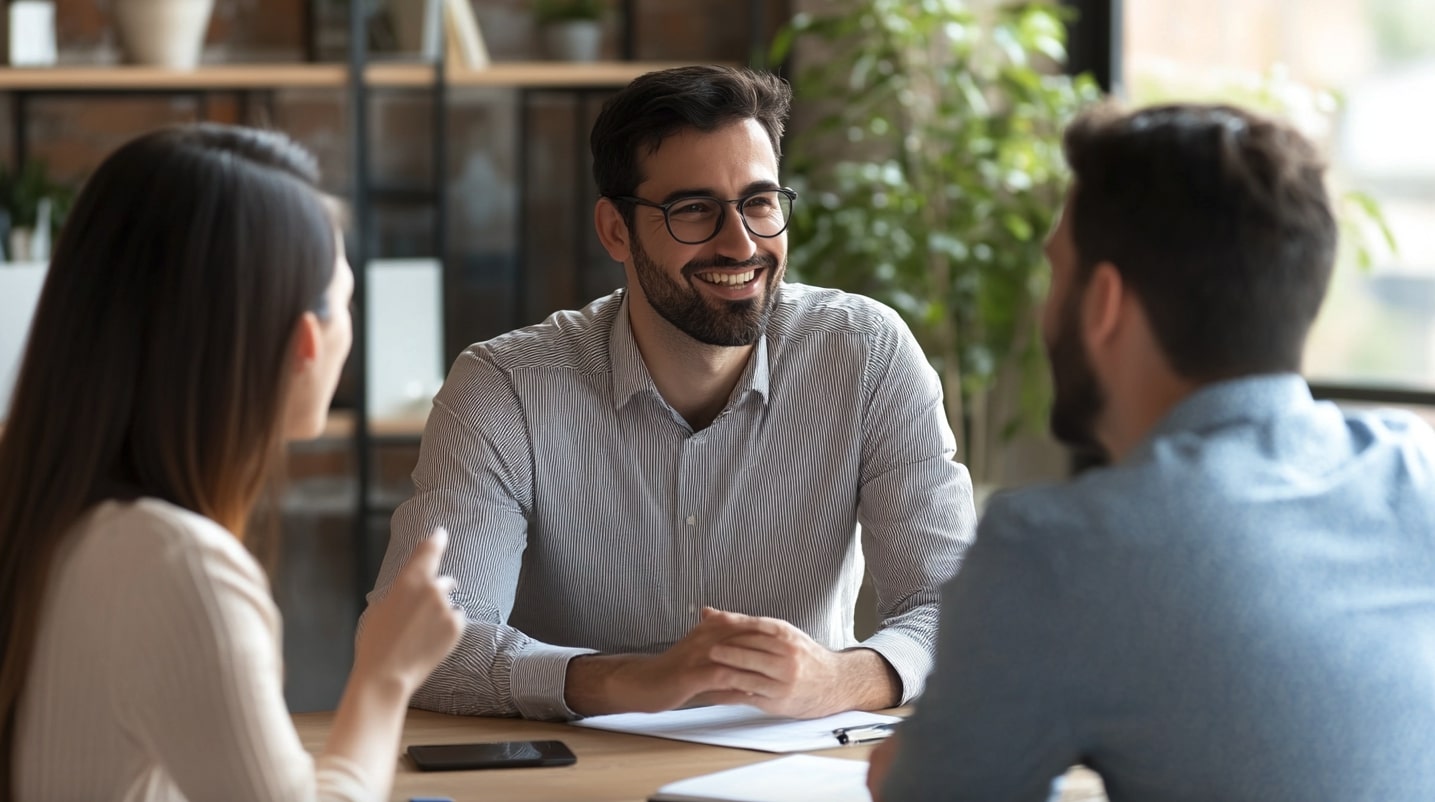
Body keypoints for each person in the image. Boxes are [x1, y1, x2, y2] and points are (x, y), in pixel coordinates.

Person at [365, 64, 975, 721]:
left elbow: (954, 610)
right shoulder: (506, 388)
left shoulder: (867, 355)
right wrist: (626, 682)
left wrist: (838, 680)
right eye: (694, 210)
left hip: (793, 776)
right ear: (615, 231)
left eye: (759, 202)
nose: (741, 242)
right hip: (581, 780)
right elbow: (419, 649)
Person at [869, 102, 1435, 801]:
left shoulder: (1055, 549)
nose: (1043, 312)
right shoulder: (1414, 470)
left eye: (1056, 274)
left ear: (1102, 302)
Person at [0, 124, 465, 801]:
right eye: (342, 301)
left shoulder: (44, 507)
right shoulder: (176, 564)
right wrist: (386, 674)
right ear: (305, 341)